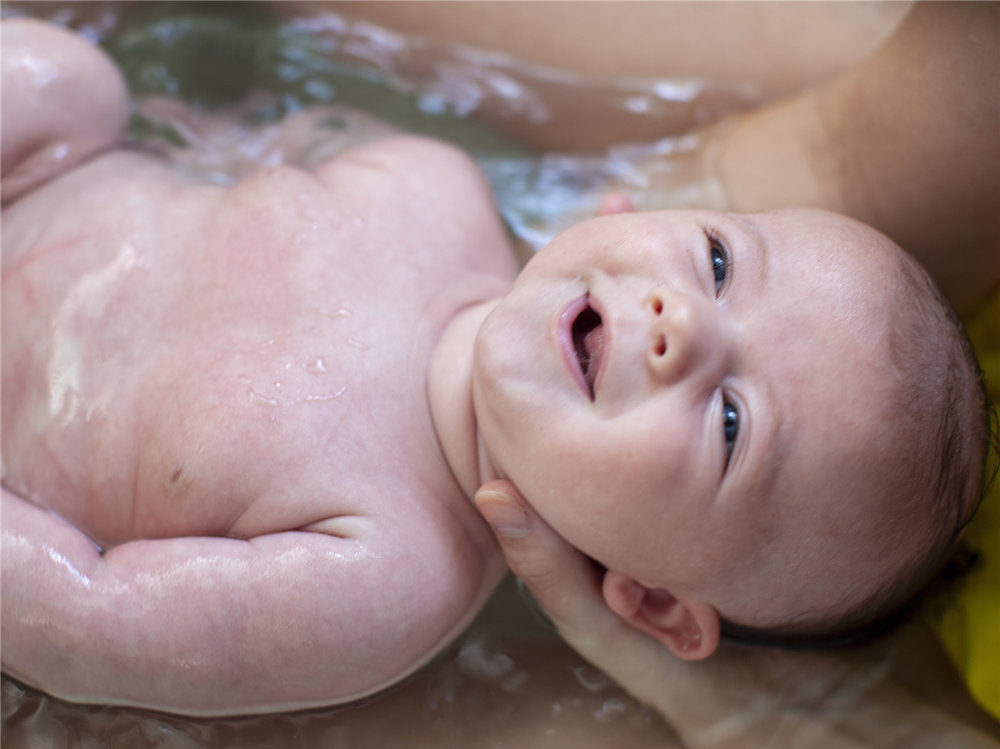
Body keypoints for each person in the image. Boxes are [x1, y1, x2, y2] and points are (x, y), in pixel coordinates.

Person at [0, 13, 989, 724]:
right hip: (32, 176)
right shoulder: (434, 182)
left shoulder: (386, 579)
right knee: (67, 81)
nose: (677, 320)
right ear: (613, 216)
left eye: (731, 422)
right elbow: (238, 143)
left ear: (645, 599)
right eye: (719, 264)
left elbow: (82, 617)